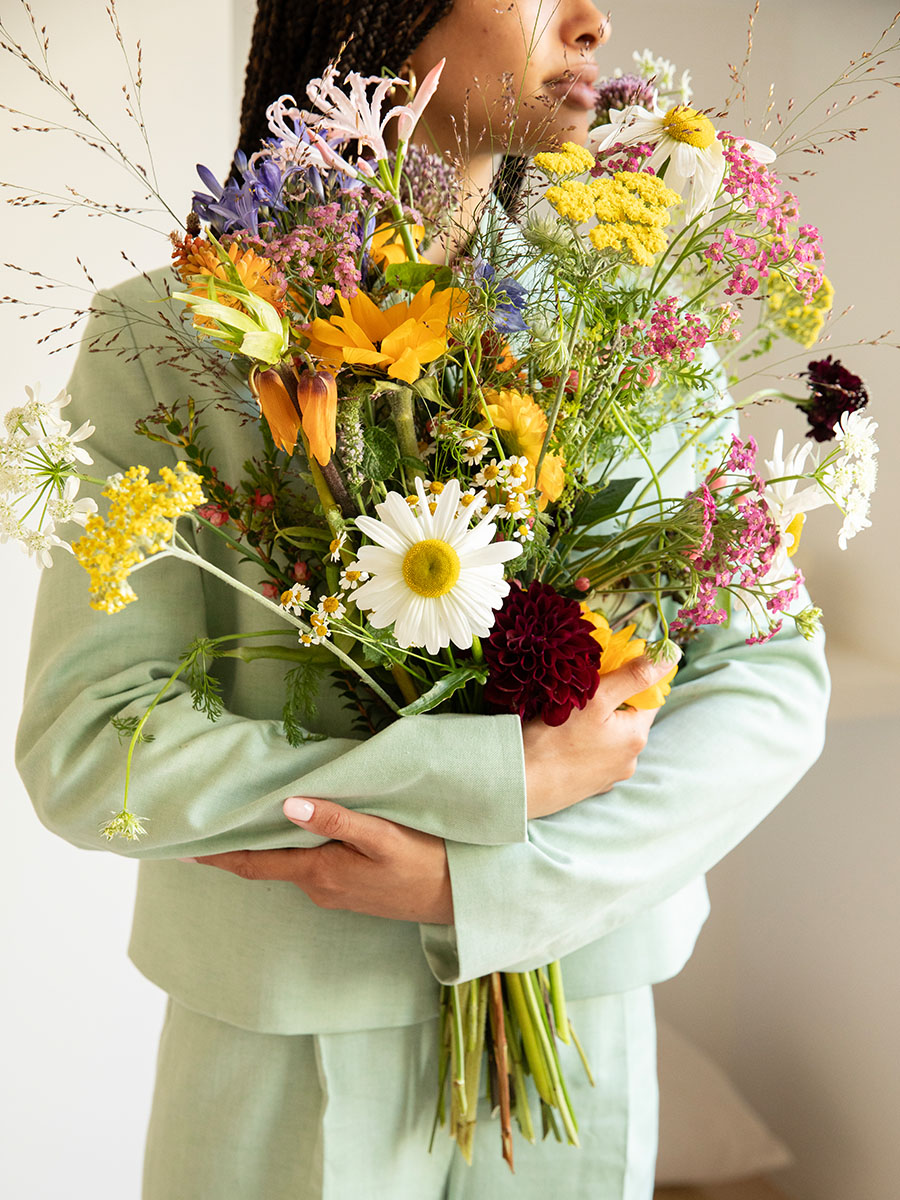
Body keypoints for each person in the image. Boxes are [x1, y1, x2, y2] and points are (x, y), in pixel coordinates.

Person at [15, 1, 830, 1197]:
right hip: (286, 1034)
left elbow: (767, 675)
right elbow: (92, 749)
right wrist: (492, 781)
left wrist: (492, 881)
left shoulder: (636, 315)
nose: (594, 19)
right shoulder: (170, 337)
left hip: (583, 1013)